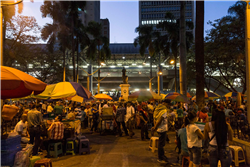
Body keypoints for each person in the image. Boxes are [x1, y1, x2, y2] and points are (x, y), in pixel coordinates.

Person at [151, 99, 171, 164]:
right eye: (168, 104)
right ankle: (160, 157)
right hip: (162, 129)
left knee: (161, 143)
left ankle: (162, 156)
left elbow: (154, 117)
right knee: (161, 144)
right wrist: (155, 127)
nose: (168, 106)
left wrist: (155, 126)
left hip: (159, 128)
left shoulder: (158, 108)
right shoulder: (164, 110)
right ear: (165, 103)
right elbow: (160, 120)